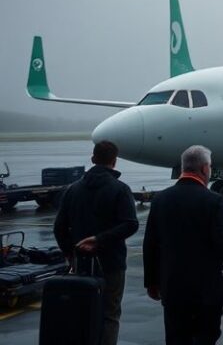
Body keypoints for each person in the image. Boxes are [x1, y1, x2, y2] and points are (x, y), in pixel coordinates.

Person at [143, 145, 223, 345]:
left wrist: (151, 282)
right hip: (206, 290)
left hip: (173, 288)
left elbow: (150, 244)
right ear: (204, 169)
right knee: (206, 338)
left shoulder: (161, 200)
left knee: (177, 338)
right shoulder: (212, 200)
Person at [53, 140, 139, 345]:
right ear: (114, 162)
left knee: (81, 312)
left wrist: (69, 252)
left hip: (81, 264)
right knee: (110, 315)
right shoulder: (120, 189)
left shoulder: (72, 189)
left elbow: (59, 228)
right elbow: (130, 225)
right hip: (111, 263)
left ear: (93, 159)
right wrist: (99, 240)